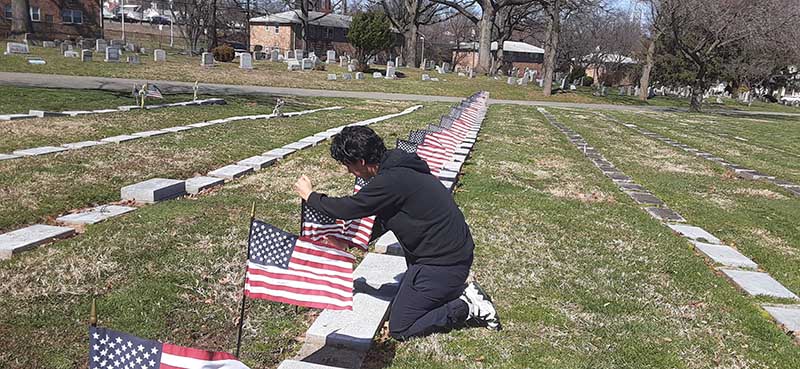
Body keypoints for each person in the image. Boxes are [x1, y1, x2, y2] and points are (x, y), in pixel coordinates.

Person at [293, 125, 501, 340]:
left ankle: (468, 306)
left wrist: (311, 197)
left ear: (361, 162)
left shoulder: (391, 181)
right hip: (445, 258)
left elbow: (348, 208)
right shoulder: (399, 169)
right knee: (408, 302)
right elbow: (385, 220)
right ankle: (452, 291)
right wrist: (349, 243)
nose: (348, 171)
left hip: (443, 264)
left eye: (348, 165)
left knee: (401, 328)